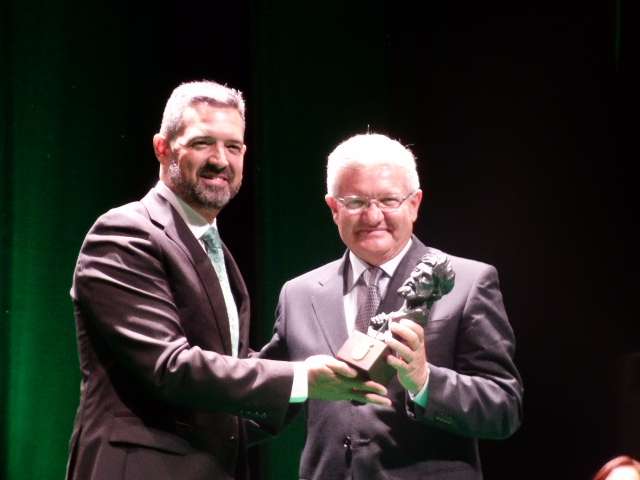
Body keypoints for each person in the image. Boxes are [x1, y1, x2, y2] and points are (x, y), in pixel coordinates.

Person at [65, 81, 389, 480]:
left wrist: (323, 369)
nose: (220, 160)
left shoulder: (210, 245)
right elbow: (171, 367)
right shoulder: (125, 233)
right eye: (203, 143)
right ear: (162, 148)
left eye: (233, 147)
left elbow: (226, 367)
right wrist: (303, 378)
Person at [260, 133, 523, 479]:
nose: (373, 216)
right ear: (334, 208)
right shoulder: (298, 294)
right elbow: (268, 394)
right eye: (356, 202)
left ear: (414, 204)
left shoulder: (467, 282)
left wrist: (425, 381)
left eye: (388, 200)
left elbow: (504, 408)